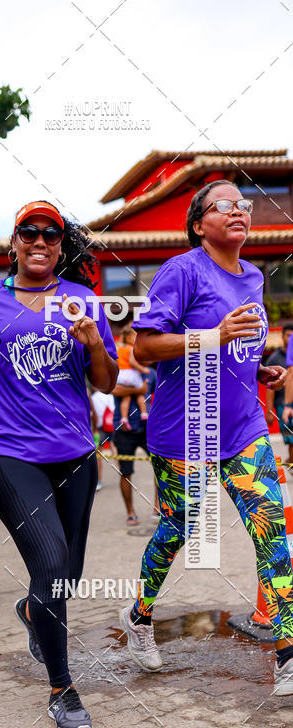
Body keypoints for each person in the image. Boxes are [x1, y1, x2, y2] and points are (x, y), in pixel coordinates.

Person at [0, 200, 118, 728]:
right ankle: (63, 690)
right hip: (8, 453)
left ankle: (30, 611)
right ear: (14, 244)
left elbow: (108, 382)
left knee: (67, 575)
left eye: (51, 234)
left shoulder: (82, 301)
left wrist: (93, 343)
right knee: (49, 558)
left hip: (75, 455)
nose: (40, 241)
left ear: (61, 246)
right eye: (30, 232)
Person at [122, 179, 293, 695]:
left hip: (244, 431)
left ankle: (288, 653)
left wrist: (258, 368)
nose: (240, 211)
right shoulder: (181, 271)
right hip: (184, 434)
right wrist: (214, 337)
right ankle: (139, 616)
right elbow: (144, 349)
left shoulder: (255, 278)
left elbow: (237, 344)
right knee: (180, 529)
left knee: (272, 533)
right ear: (200, 223)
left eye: (244, 205)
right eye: (226, 206)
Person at [112, 367, 158, 525]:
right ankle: (130, 512)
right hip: (123, 428)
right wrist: (140, 388)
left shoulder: (151, 373)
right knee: (125, 472)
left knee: (160, 468)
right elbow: (113, 389)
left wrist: (129, 390)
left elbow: (158, 394)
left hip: (148, 427)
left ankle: (158, 508)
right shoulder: (119, 370)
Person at [266, 323, 293, 469]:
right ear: (282, 336)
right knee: (291, 439)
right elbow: (270, 388)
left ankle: (290, 461)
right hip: (283, 404)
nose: (291, 338)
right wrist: (270, 412)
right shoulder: (274, 359)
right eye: (288, 335)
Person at [115, 326, 150, 430]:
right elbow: (132, 362)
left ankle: (124, 418)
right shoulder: (131, 348)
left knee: (126, 397)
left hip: (121, 375)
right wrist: (143, 369)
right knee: (140, 394)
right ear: (130, 337)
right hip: (131, 374)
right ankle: (144, 413)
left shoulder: (120, 349)